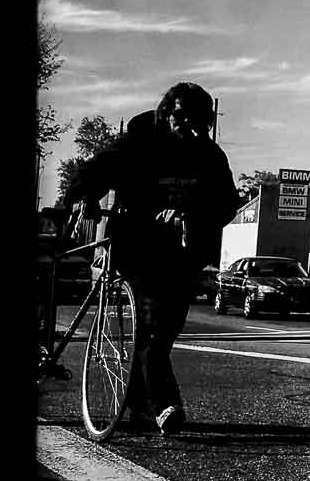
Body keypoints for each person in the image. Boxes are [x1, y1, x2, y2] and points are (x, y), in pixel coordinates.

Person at [65, 81, 240, 436]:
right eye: (181, 116)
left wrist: (191, 214)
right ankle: (165, 405)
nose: (188, 125)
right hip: (138, 246)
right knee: (152, 326)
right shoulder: (139, 142)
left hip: (182, 254)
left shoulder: (209, 155)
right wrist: (85, 196)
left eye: (198, 120)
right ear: (166, 113)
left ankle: (139, 406)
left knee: (164, 333)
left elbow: (227, 203)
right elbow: (97, 170)